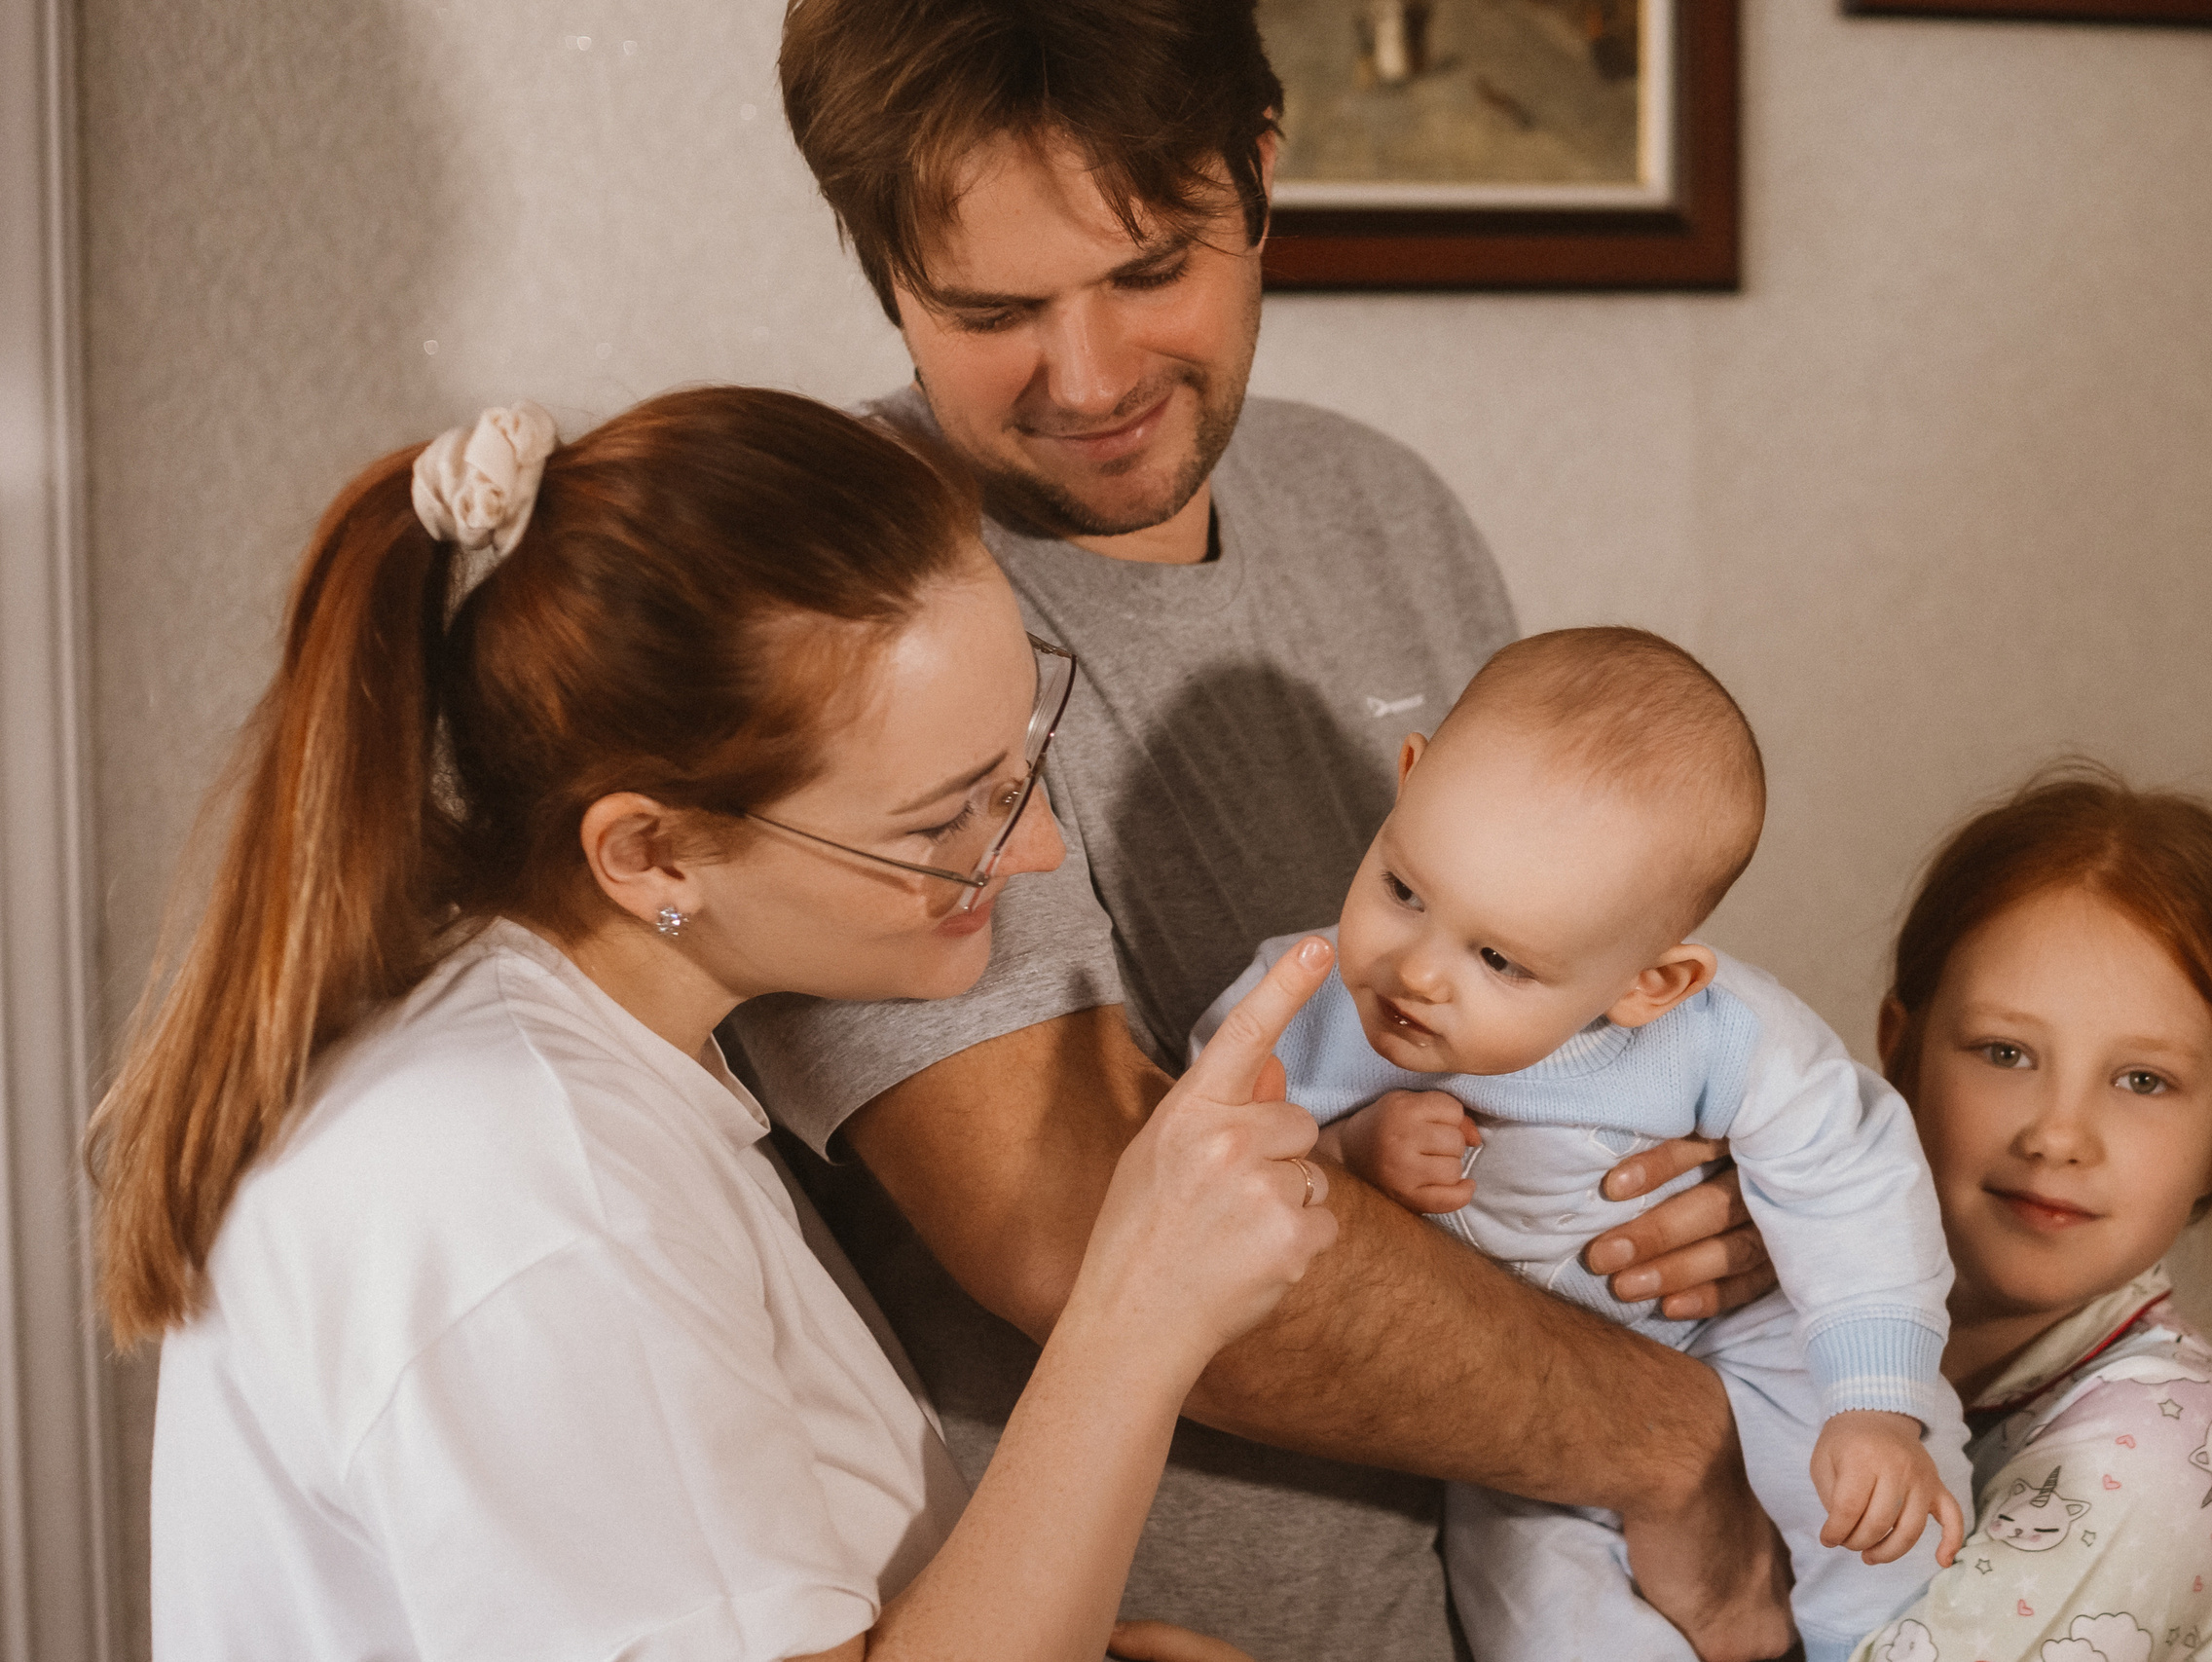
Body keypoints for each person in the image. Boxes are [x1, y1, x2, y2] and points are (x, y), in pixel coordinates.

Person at [742, 5, 1793, 1657]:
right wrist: (1665, 1439)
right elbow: (1084, 1223)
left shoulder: (1382, 506)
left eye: (1153, 268)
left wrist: (1676, 1190)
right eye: (992, 311)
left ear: (1260, 172)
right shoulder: (834, 594)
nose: (1090, 378)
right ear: (880, 265)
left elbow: (1540, 1029)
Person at [90, 388, 1346, 1662]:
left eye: (1018, 765)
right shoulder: (537, 1195)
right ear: (652, 855)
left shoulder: (583, 1069)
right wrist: (1141, 1314)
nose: (1033, 850)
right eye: (941, 820)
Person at [1196, 628, 1974, 1661]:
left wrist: (1873, 1403)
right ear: (1407, 783)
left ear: (1650, 984)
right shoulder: (1308, 1003)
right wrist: (1343, 1156)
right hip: (1519, 1407)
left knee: (1887, 1527)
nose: (1416, 971)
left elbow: (1852, 1179)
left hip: (1748, 1344)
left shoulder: (1724, 1036)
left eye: (1497, 959)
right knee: (1546, 1626)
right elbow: (1199, 1162)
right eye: (1403, 890)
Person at [1850, 764, 2212, 1659]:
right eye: (2004, 1052)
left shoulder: (2158, 1457)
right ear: (1900, 1054)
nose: (2058, 1134)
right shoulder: (1801, 1309)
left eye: (2144, 1080)